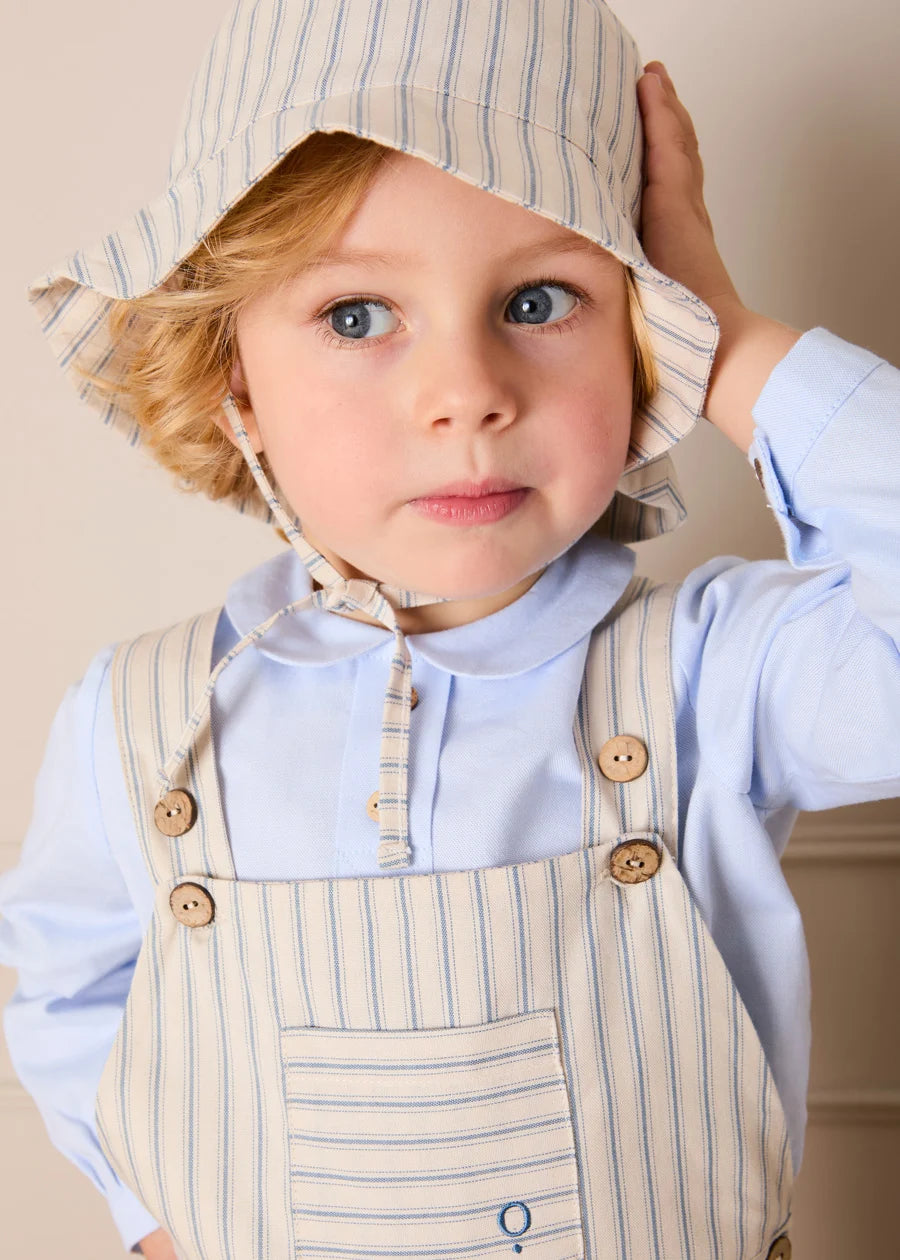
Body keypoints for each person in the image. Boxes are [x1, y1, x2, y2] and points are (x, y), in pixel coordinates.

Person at [1, 1, 897, 1257]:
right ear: (233, 380)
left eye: (540, 298)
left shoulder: (717, 676)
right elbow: (70, 991)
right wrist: (153, 1220)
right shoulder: (145, 721)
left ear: (643, 346)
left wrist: (734, 339)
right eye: (358, 316)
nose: (468, 393)